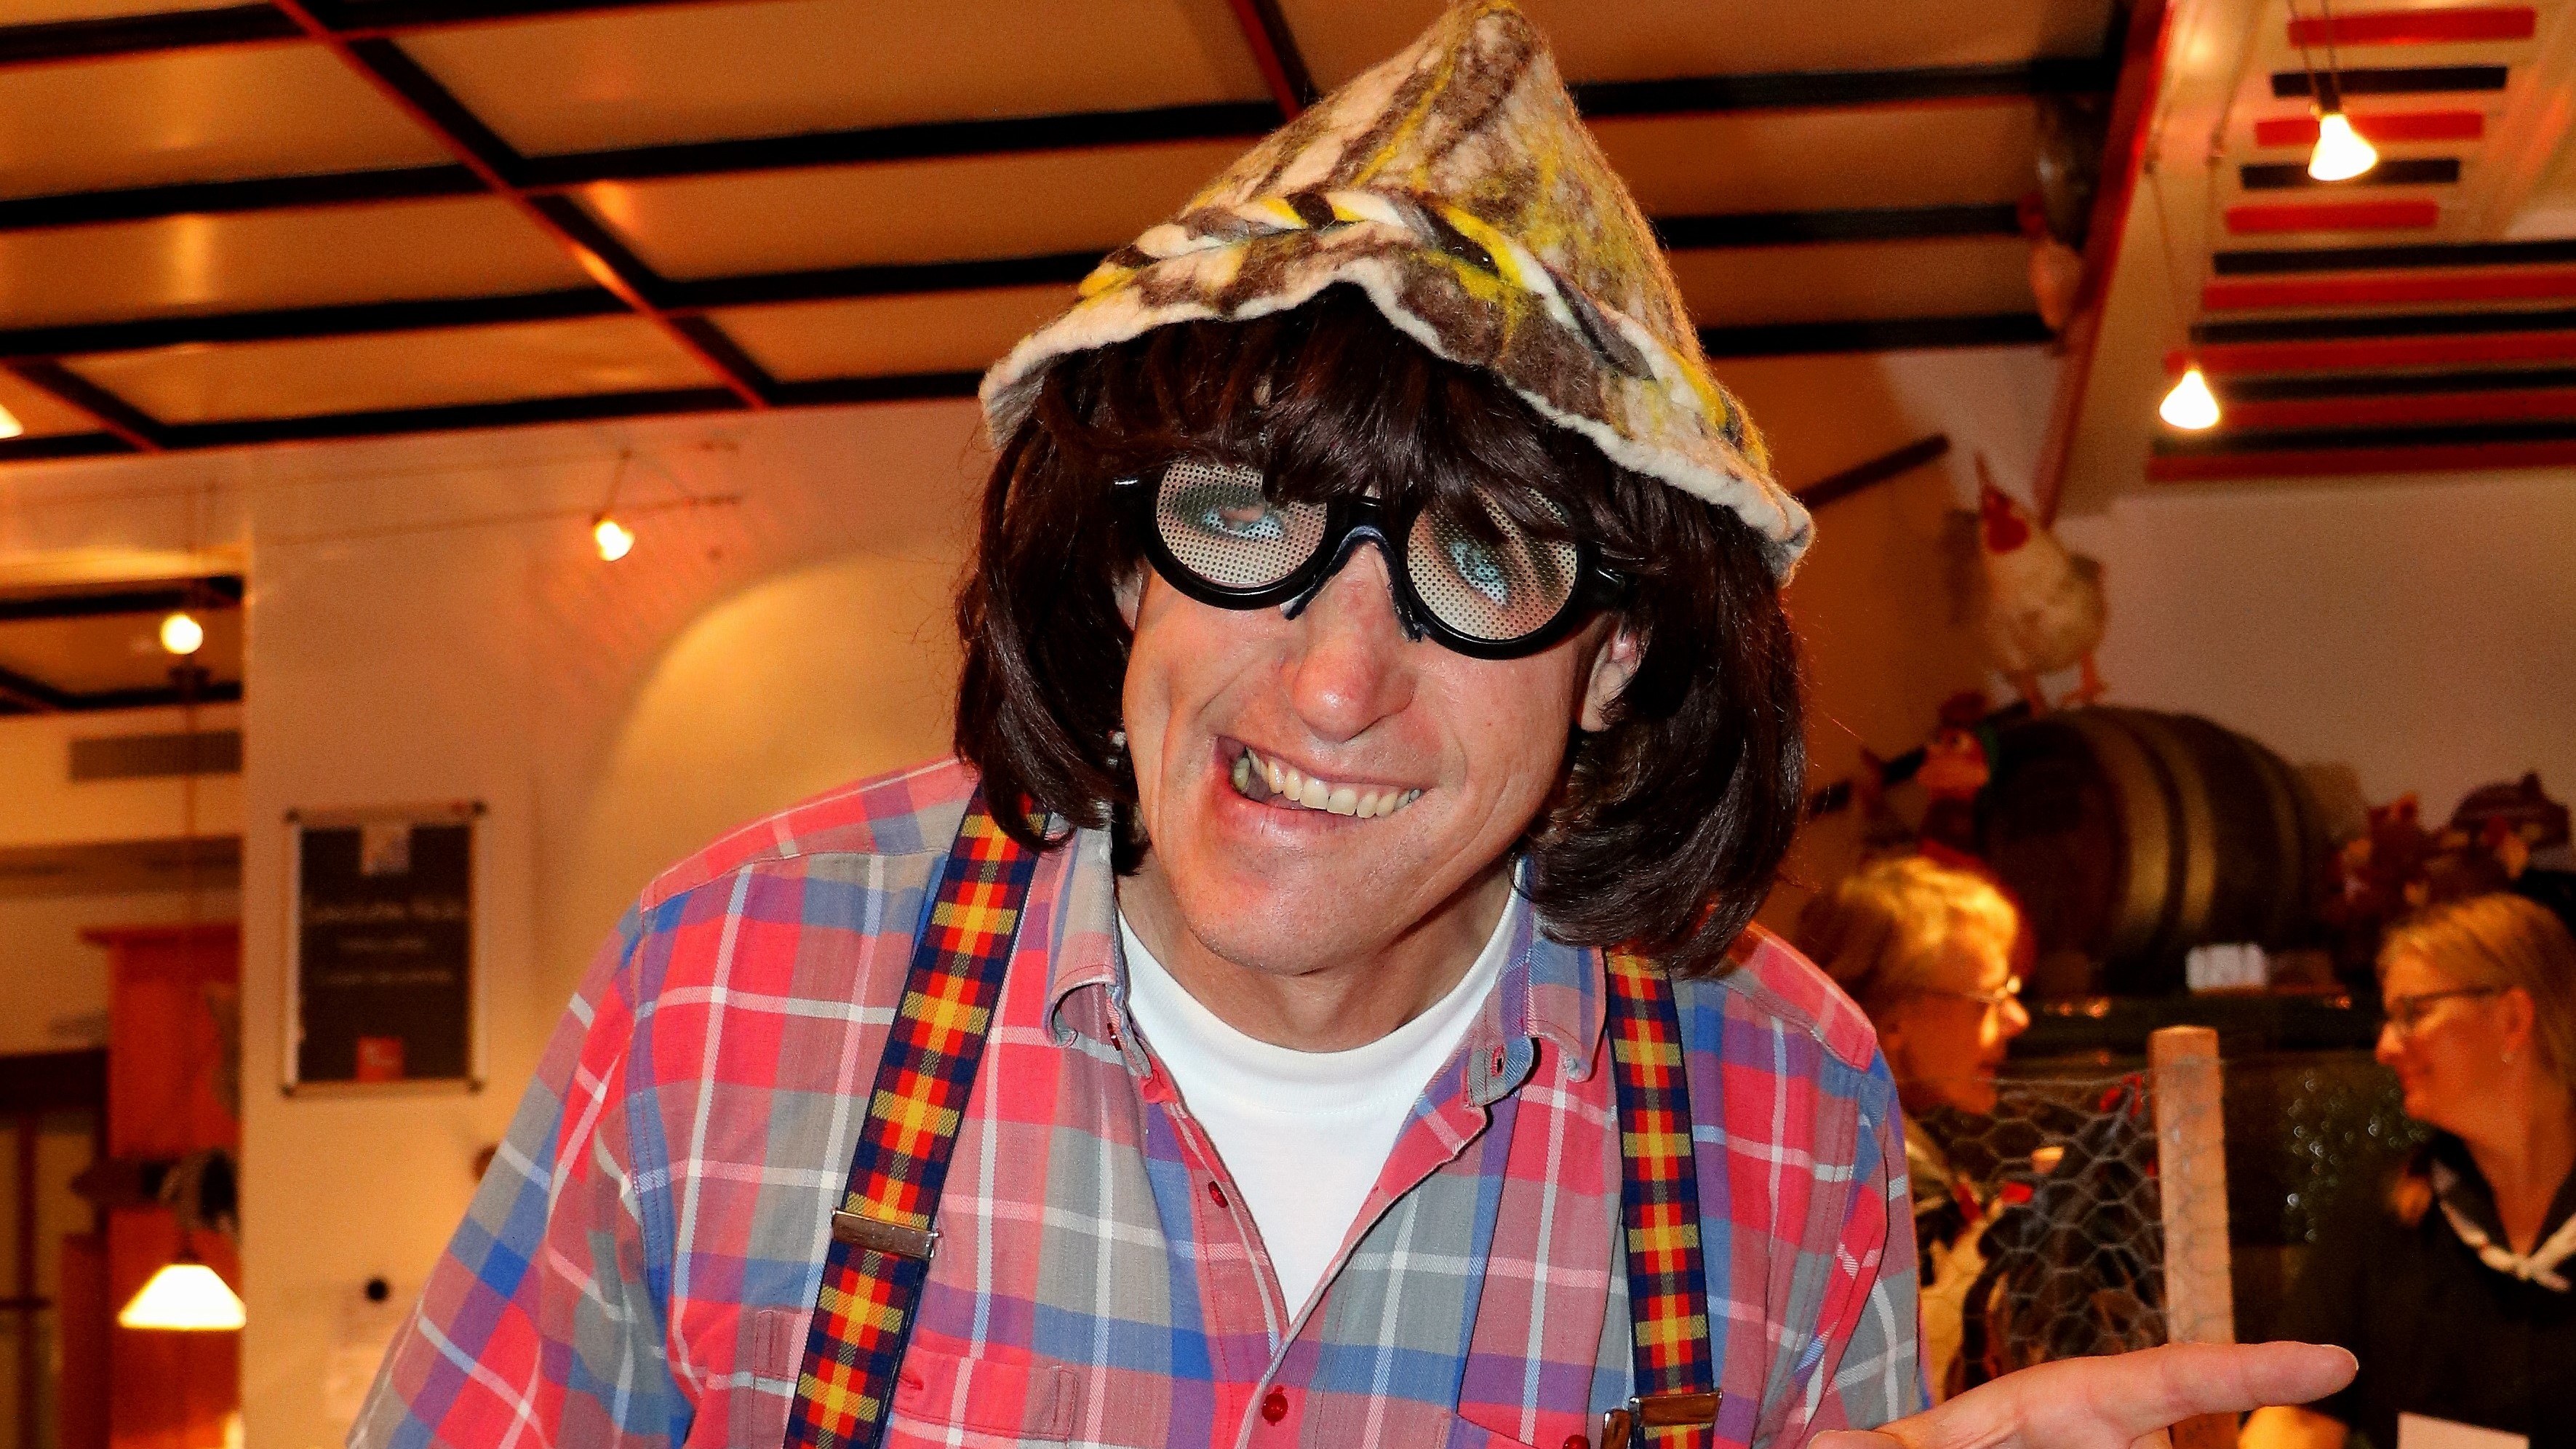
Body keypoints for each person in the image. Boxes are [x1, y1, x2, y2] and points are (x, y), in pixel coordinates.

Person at [352, 4, 2349, 1446]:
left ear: (1615, 658)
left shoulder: (1781, 1099)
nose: (1327, 680)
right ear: (1122, 558)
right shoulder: (726, 991)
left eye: (1482, 563)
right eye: (1248, 517)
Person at [2245, 893, 2576, 1449]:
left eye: (2412, 1013)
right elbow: (2297, 1418)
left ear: (2512, 1019)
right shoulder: (2383, 1208)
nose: (2384, 1047)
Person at [1796, 855, 2028, 1401]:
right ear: (1893, 1017)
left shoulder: (1858, 1130)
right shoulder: (1888, 1169)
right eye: (1989, 1000)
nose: (2018, 1019)